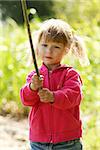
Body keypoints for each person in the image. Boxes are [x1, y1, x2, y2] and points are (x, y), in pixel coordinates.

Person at [20, 18, 89, 150]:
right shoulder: (34, 76)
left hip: (67, 142)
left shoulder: (70, 74)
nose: (48, 51)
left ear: (66, 49)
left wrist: (53, 96)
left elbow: (74, 96)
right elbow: (26, 100)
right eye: (44, 45)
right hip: (38, 141)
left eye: (56, 47)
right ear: (37, 46)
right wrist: (32, 88)